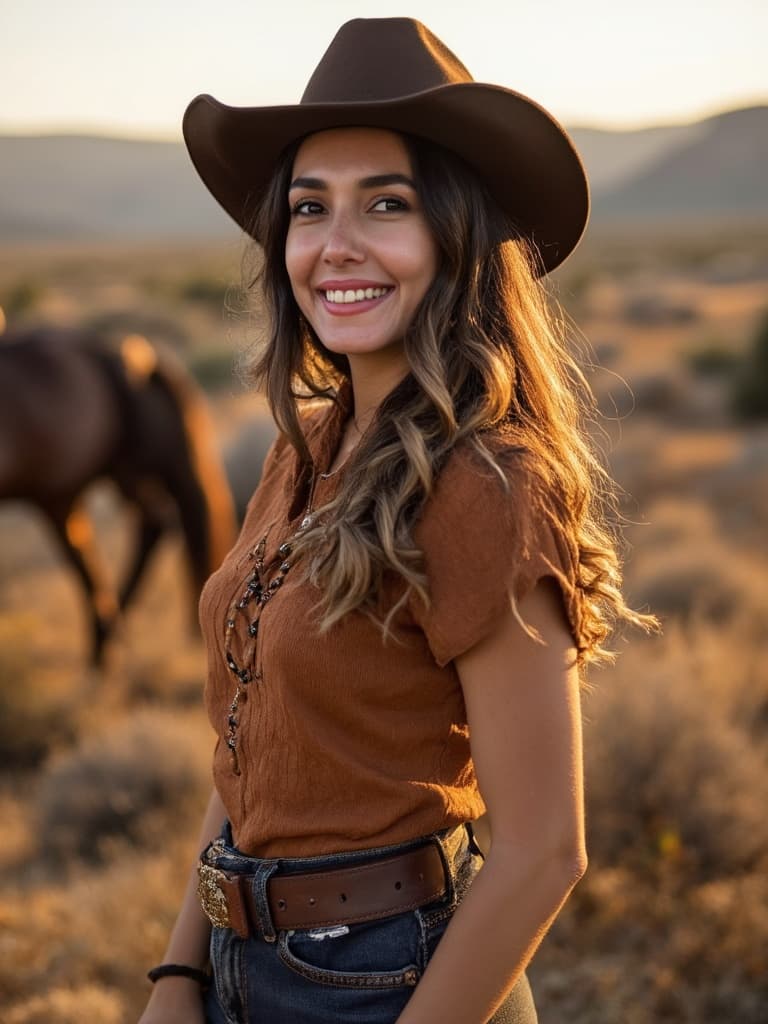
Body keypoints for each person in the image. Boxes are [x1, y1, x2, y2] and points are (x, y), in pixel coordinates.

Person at [139, 17, 652, 1024]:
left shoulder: (483, 482)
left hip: (390, 983)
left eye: (387, 204)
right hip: (242, 963)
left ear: (453, 235)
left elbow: (546, 848)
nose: (337, 245)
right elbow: (252, 733)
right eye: (308, 207)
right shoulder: (305, 448)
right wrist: (180, 972)